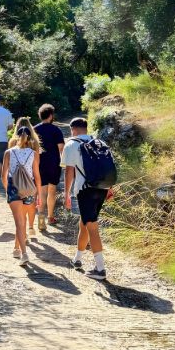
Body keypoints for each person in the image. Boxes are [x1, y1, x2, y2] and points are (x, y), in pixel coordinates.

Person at [62, 117, 113, 281]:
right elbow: (107, 166)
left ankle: (100, 269)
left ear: (73, 129)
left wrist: (66, 194)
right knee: (84, 223)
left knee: (91, 226)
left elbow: (69, 172)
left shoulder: (71, 144)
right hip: (102, 188)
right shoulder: (99, 142)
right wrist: (109, 187)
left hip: (85, 191)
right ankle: (77, 259)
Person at [2, 124, 42, 266]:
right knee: (22, 221)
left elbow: (4, 175)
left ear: (17, 137)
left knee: (19, 222)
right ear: (29, 138)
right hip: (29, 189)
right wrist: (39, 195)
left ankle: (24, 254)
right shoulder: (34, 154)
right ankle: (16, 249)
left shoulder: (9, 152)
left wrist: (8, 190)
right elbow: (37, 176)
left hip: (14, 187)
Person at [33, 104, 65, 231]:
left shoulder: (34, 129)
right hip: (53, 164)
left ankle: (41, 218)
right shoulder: (56, 130)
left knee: (41, 191)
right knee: (52, 191)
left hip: (39, 164)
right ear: (51, 115)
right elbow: (61, 148)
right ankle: (50, 217)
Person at [13, 117, 43, 237]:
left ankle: (23, 231)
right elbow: (37, 163)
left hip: (15, 180)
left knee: (19, 208)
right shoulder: (35, 143)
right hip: (30, 179)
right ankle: (30, 227)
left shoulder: (12, 142)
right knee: (30, 206)